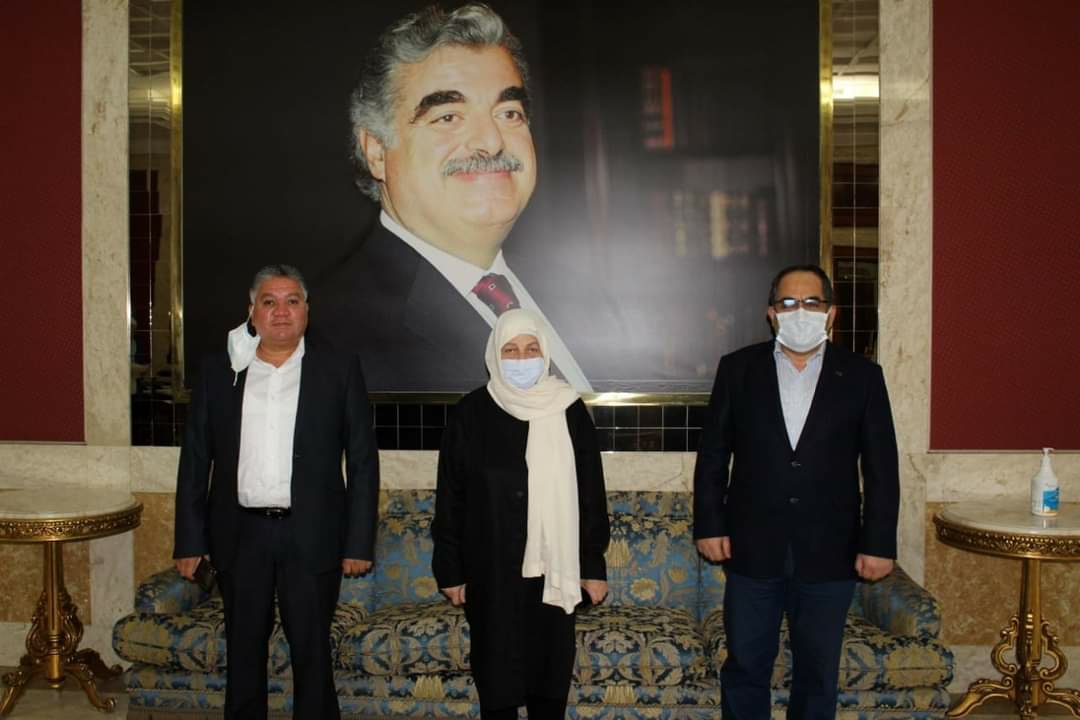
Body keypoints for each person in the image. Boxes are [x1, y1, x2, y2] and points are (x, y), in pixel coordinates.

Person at [310, 3, 632, 393]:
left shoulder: (580, 295)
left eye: (509, 113)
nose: (491, 141)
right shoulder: (325, 340)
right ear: (376, 151)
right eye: (448, 117)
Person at [693, 264, 900, 720]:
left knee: (818, 672)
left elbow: (881, 467)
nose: (799, 311)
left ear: (831, 313)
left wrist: (879, 543)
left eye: (811, 302)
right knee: (746, 666)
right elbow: (713, 455)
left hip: (831, 550)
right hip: (751, 547)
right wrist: (709, 524)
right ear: (771, 313)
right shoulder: (738, 369)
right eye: (788, 303)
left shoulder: (863, 376)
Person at [173, 264, 380, 720]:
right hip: (239, 534)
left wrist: (358, 542)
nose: (281, 311)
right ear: (252, 311)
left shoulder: (338, 369)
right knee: (243, 650)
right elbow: (195, 459)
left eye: (292, 301)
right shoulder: (220, 370)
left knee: (312, 652)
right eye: (269, 302)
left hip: (312, 534)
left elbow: (363, 462)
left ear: (307, 310)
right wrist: (189, 540)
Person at [432, 308, 610, 719]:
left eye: (531, 349)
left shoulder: (568, 409)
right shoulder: (470, 412)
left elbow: (590, 494)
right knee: (497, 679)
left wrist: (592, 566)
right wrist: (450, 570)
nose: (522, 358)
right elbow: (451, 498)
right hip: (490, 570)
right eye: (510, 350)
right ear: (494, 354)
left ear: (545, 353)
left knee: (549, 679)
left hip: (555, 568)